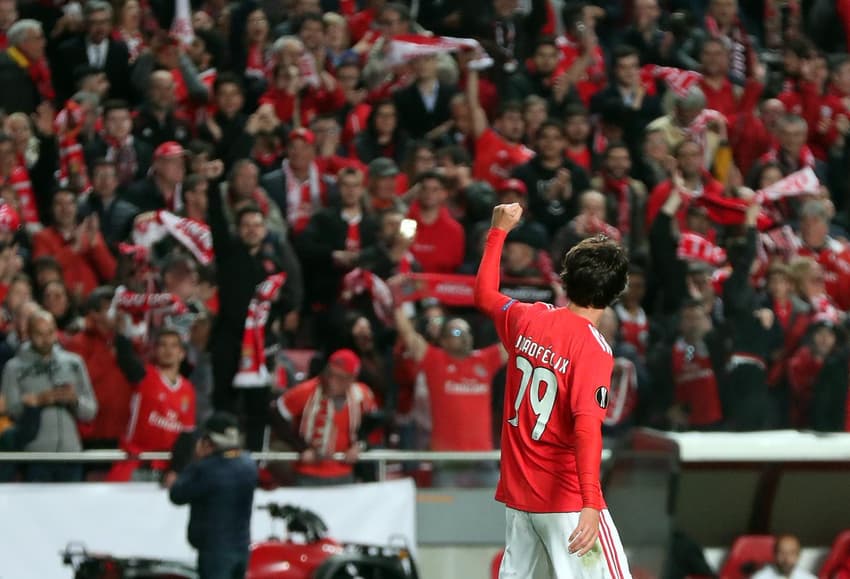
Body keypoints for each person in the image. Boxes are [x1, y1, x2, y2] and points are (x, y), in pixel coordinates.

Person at [474, 203, 631, 578]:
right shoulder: (593, 347)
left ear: (565, 279)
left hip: (520, 499)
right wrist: (590, 504)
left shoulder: (527, 317)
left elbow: (483, 295)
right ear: (615, 292)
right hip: (567, 503)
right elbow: (586, 428)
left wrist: (498, 231)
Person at [0, 309, 98, 481]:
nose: (46, 339)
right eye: (39, 334)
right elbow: (10, 410)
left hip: (71, 454)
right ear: (29, 334)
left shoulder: (74, 362)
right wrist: (37, 401)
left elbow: (91, 410)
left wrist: (74, 400)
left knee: (72, 508)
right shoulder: (14, 367)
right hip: (35, 457)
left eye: (50, 332)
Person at [168, 412, 258, 579]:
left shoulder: (207, 469)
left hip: (215, 551)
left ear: (209, 441)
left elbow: (177, 495)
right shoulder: (249, 464)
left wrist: (196, 461)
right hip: (241, 547)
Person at [270, 348, 377, 486]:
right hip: (307, 473)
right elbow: (276, 416)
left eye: (340, 377)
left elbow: (373, 427)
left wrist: (359, 446)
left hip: (344, 473)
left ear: (352, 379)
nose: (332, 381)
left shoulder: (362, 395)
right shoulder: (306, 391)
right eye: (330, 374)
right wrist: (301, 447)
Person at [752, 535, 818, 579]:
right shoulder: (760, 577)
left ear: (798, 555)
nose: (786, 558)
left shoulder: (808, 577)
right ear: (774, 554)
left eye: (792, 553)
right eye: (782, 553)